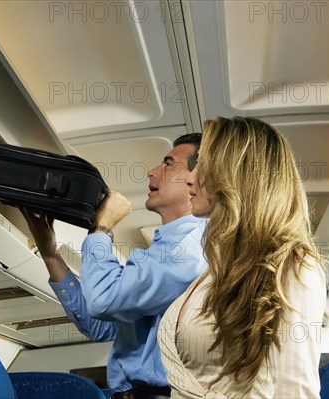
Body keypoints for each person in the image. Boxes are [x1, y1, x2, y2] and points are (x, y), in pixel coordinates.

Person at [21, 133, 207, 398]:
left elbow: (104, 300)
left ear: (197, 177)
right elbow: (101, 324)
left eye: (167, 164)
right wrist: (50, 253)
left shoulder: (189, 249)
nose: (153, 172)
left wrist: (102, 227)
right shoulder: (164, 250)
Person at [157, 117, 327, 398]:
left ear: (235, 171)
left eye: (201, 165)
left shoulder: (293, 265)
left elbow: (294, 391)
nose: (189, 176)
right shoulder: (216, 270)